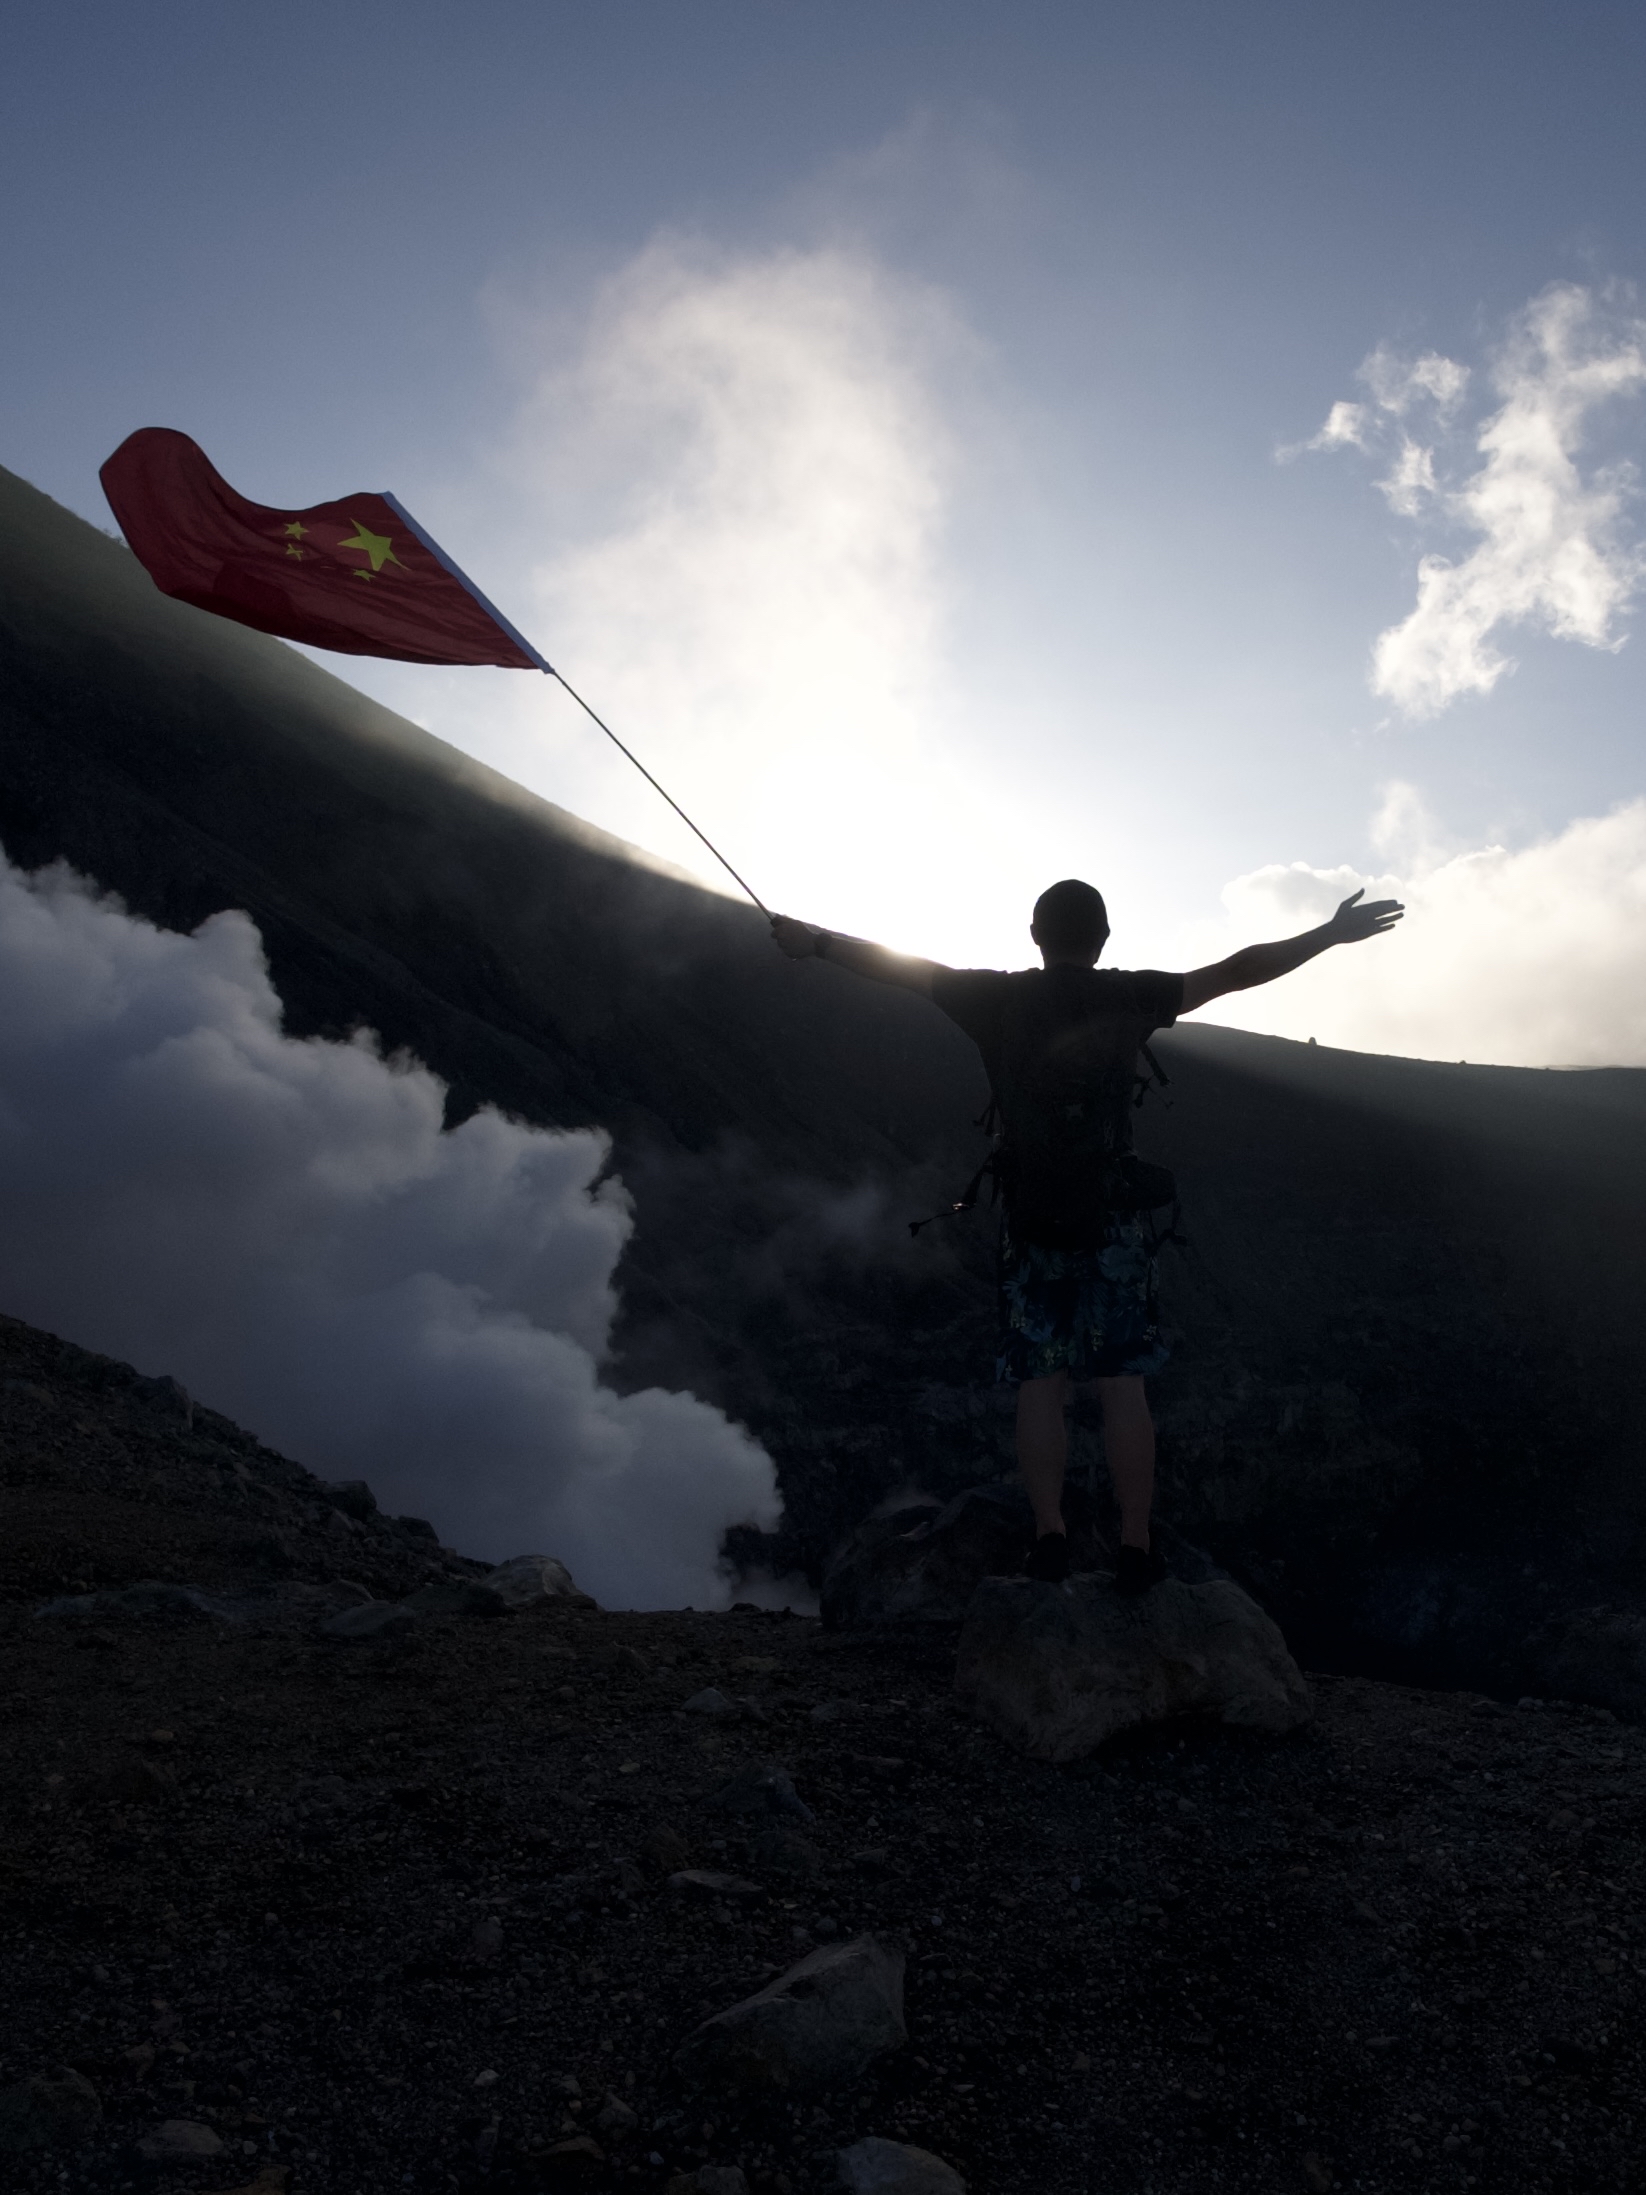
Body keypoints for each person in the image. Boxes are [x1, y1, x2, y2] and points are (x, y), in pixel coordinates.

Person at [771, 879, 1404, 1590]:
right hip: (1114, 1220)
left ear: (1035, 935)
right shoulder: (1131, 996)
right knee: (1121, 1387)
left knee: (1042, 1384)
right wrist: (1326, 933)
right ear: (1103, 939)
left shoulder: (994, 999)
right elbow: (1237, 970)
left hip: (1032, 1218)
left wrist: (816, 941)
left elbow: (898, 967)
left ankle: (1049, 1537)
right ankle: (1135, 1545)